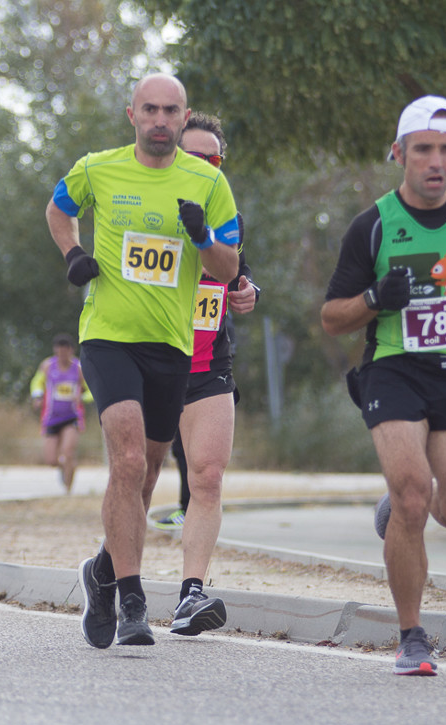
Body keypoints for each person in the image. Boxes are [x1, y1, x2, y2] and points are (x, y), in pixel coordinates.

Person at [320, 96, 446, 675]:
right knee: (414, 498)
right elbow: (332, 316)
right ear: (400, 153)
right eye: (422, 150)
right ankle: (412, 636)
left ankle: (401, 500)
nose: (434, 161)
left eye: (444, 150)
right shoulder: (375, 224)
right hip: (393, 368)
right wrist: (375, 299)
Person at [45, 73, 241, 648]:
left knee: (150, 472)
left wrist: (203, 239)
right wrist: (74, 252)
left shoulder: (208, 183)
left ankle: (100, 571)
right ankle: (132, 601)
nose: (160, 119)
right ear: (131, 114)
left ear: (184, 118)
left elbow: (227, 269)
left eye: (171, 110)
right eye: (149, 109)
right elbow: (59, 209)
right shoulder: (97, 168)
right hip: (108, 336)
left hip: (172, 346)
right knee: (127, 460)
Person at [155, 112, 260, 636]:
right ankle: (109, 576)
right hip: (148, 361)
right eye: (192, 157)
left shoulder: (227, 215)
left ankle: (190, 595)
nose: (202, 167)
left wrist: (248, 289)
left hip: (207, 365)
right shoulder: (147, 206)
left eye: (212, 159)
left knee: (208, 477)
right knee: (136, 479)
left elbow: (237, 273)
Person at [29, 333, 93, 493]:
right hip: (51, 417)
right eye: (59, 351)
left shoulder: (79, 368)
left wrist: (83, 397)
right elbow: (37, 382)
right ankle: (64, 468)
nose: (62, 355)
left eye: (66, 351)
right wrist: (37, 396)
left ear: (71, 350)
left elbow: (92, 390)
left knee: (68, 452)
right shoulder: (47, 366)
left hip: (72, 416)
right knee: (51, 460)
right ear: (55, 350)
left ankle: (67, 490)